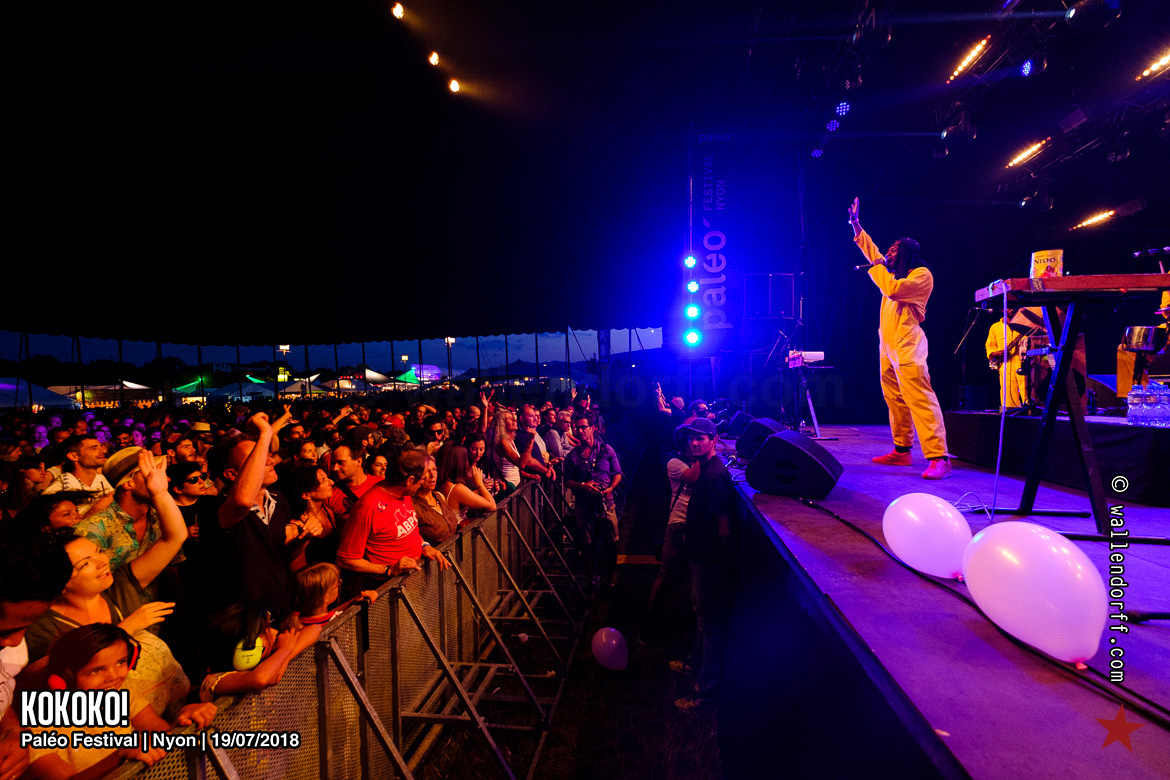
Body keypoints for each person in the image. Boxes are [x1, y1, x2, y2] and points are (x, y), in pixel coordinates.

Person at [26, 623, 216, 778]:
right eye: (96, 670)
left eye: (121, 662)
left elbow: (158, 732)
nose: (114, 676)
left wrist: (183, 720)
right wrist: (120, 756)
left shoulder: (124, 695)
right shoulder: (37, 728)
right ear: (63, 679)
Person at [849, 197, 952, 479]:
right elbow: (874, 254)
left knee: (920, 398)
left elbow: (892, 290)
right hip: (887, 344)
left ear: (907, 253)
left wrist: (877, 266)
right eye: (889, 250)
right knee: (894, 398)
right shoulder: (893, 274)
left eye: (894, 250)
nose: (888, 254)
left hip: (907, 344)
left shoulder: (921, 275)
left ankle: (939, 457)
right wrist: (856, 225)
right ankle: (902, 450)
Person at [673, 418, 735, 712]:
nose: (694, 443)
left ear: (714, 440)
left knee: (710, 627)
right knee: (702, 617)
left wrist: (725, 558)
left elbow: (724, 527)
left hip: (710, 562)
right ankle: (695, 665)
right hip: (700, 557)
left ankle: (705, 692)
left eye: (701, 438)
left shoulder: (713, 477)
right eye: (691, 438)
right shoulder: (706, 470)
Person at [336, 449, 451, 582]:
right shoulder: (367, 508)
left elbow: (407, 527)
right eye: (422, 479)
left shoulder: (405, 494)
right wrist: (388, 570)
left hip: (413, 579)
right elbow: (345, 559)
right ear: (410, 480)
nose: (422, 483)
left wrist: (424, 546)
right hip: (390, 585)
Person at [643, 425, 699, 645]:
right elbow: (694, 477)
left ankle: (686, 624)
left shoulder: (694, 462)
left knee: (692, 578)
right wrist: (701, 456)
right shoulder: (674, 463)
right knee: (666, 576)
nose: (696, 444)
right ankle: (649, 622)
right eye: (693, 441)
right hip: (678, 525)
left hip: (694, 526)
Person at [563, 413, 622, 588]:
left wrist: (611, 488)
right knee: (586, 544)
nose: (579, 431)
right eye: (576, 428)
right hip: (584, 505)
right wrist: (583, 485)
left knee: (613, 542)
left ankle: (609, 576)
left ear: (593, 428)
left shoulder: (606, 450)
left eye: (583, 427)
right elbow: (568, 481)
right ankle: (591, 581)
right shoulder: (572, 456)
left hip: (606, 503)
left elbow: (617, 473)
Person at [437, 443, 496, 524]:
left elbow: (466, 497)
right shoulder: (457, 489)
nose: (467, 462)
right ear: (458, 462)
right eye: (465, 459)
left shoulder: (442, 482)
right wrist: (479, 483)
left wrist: (479, 490)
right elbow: (492, 506)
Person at [412, 454, 461, 544]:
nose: (432, 475)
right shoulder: (413, 506)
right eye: (427, 471)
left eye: (434, 469)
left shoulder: (439, 496)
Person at [985, 311, 1029, 409]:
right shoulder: (995, 327)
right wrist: (995, 353)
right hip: (1005, 365)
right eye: (1008, 306)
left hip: (1025, 364)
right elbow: (990, 346)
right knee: (1008, 397)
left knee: (1028, 393)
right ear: (1002, 309)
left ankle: (1031, 415)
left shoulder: (1027, 324)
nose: (1011, 309)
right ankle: (1010, 417)